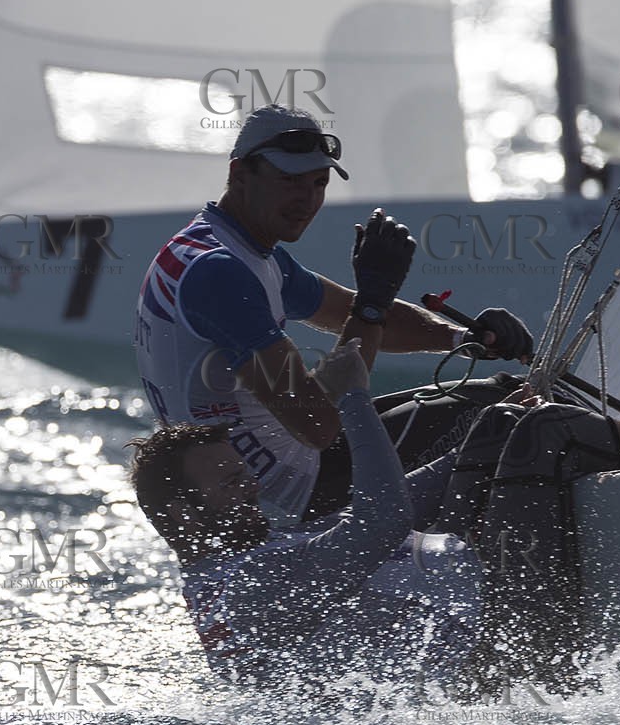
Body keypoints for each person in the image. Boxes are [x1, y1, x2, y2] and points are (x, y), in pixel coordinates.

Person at [129, 339, 620, 693]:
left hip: (483, 606)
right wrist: (351, 398)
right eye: (227, 482)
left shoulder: (242, 564)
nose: (248, 485)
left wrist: (480, 436)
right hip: (513, 650)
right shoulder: (248, 582)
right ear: (188, 513)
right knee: (547, 433)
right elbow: (377, 523)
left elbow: (395, 513)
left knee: (504, 425)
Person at [133, 103, 537, 526]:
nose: (306, 200)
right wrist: (373, 301)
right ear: (239, 174)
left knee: (496, 391)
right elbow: (318, 425)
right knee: (509, 412)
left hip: (281, 466)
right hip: (289, 493)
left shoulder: (223, 249)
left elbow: (344, 311)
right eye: (289, 181)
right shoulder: (220, 274)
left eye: (318, 183)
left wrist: (464, 337)